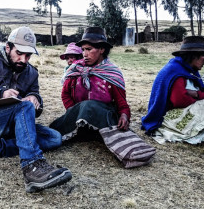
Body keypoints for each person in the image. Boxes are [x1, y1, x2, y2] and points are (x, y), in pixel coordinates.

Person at [0, 26, 72, 193]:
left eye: (28, 55)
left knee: (54, 138)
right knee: (24, 107)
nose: (23, 60)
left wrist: (35, 99)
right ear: (8, 47)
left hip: (16, 124)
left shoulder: (32, 73)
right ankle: (32, 166)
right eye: (19, 53)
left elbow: (36, 104)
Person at [50, 27, 155, 168]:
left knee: (89, 105)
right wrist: (74, 112)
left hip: (104, 118)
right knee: (52, 131)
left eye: (89, 49)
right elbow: (65, 94)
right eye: (83, 50)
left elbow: (121, 103)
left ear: (102, 49)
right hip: (80, 121)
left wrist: (124, 116)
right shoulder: (76, 69)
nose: (85, 54)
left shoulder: (112, 73)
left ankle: (132, 152)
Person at [141, 36, 204, 145]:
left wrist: (195, 94)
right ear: (193, 56)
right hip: (169, 117)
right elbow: (179, 101)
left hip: (187, 110)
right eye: (203, 56)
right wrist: (199, 99)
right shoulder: (176, 72)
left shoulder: (191, 72)